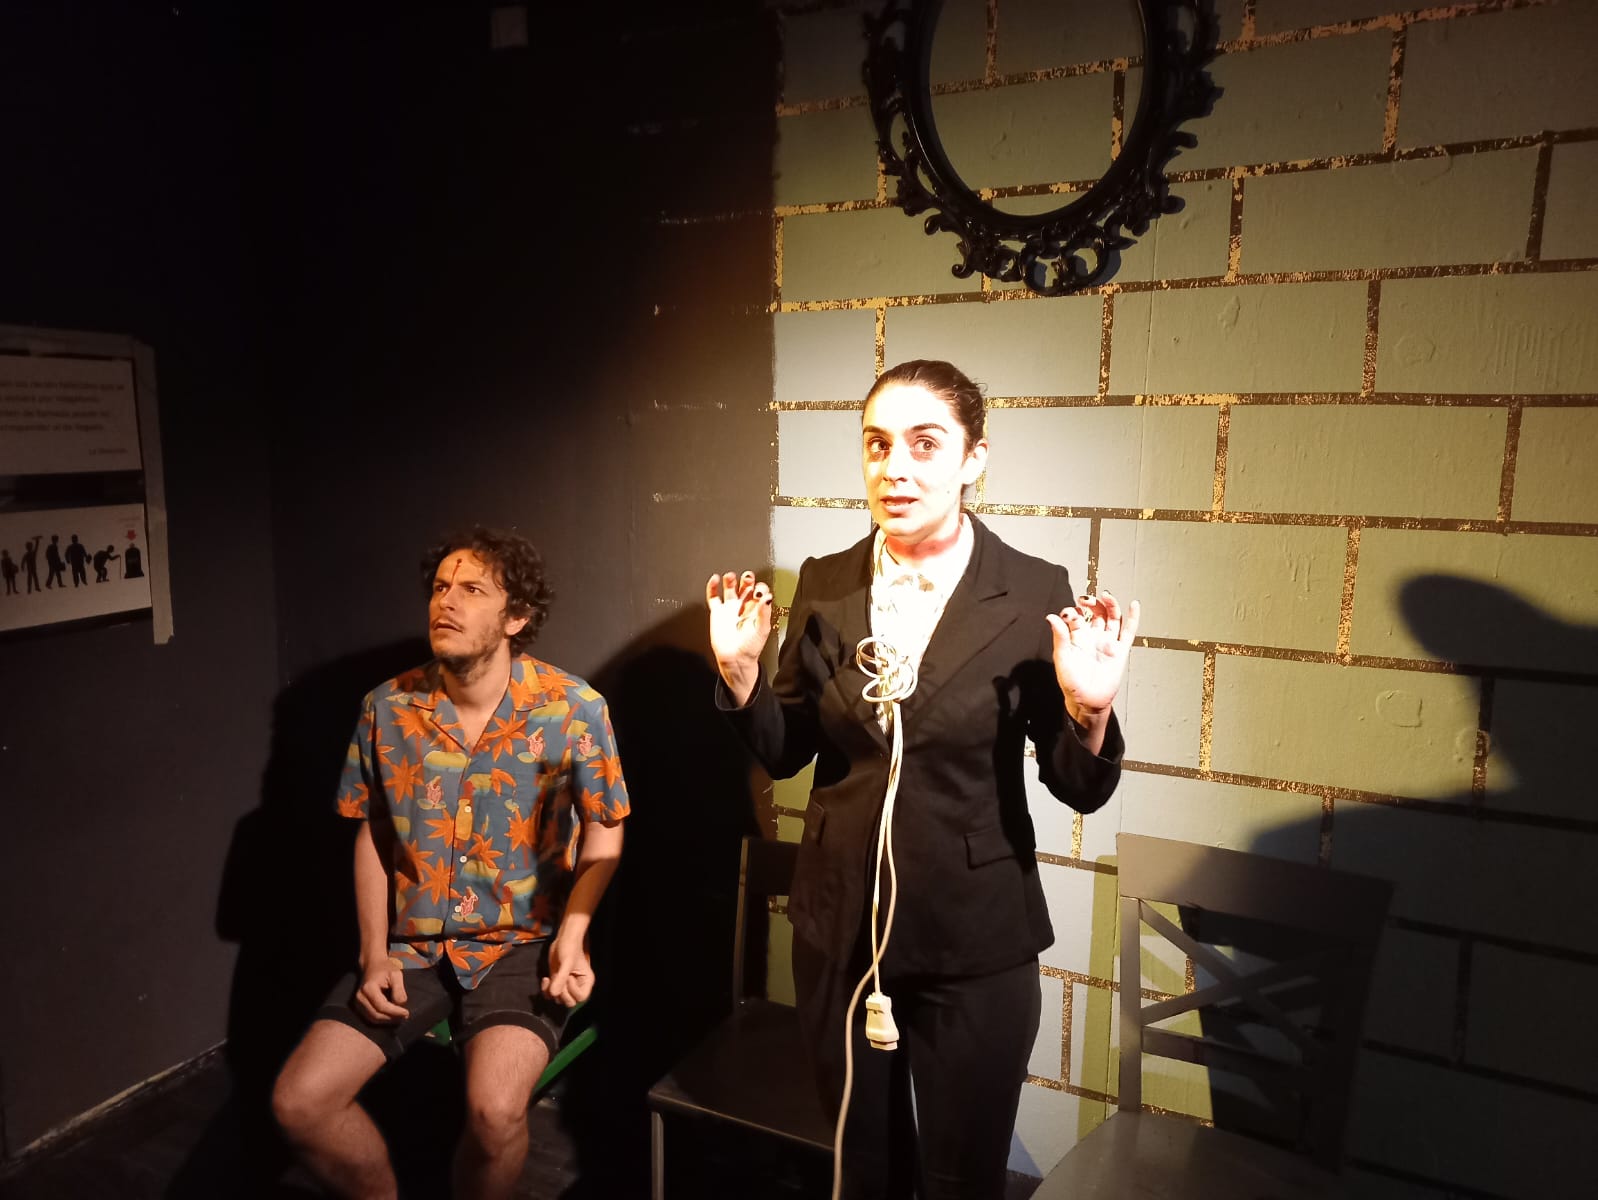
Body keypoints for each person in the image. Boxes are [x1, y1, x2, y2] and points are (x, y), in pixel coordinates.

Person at [707, 360, 1138, 1200]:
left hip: (974, 938)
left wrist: (1088, 712)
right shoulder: (828, 580)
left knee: (959, 1177)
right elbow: (788, 748)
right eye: (877, 445)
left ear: (974, 458)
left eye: (924, 444)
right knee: (862, 1166)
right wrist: (741, 675)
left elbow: (1079, 787)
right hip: (841, 924)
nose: (894, 468)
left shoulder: (1032, 592)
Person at [273, 527, 630, 1200]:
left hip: (520, 943)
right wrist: (373, 954)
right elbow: (374, 835)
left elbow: (605, 838)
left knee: (494, 1113)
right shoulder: (387, 708)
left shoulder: (575, 710)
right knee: (300, 1102)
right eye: (440, 588)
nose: (447, 602)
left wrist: (576, 933)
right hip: (411, 943)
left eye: (472, 590)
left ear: (516, 617)